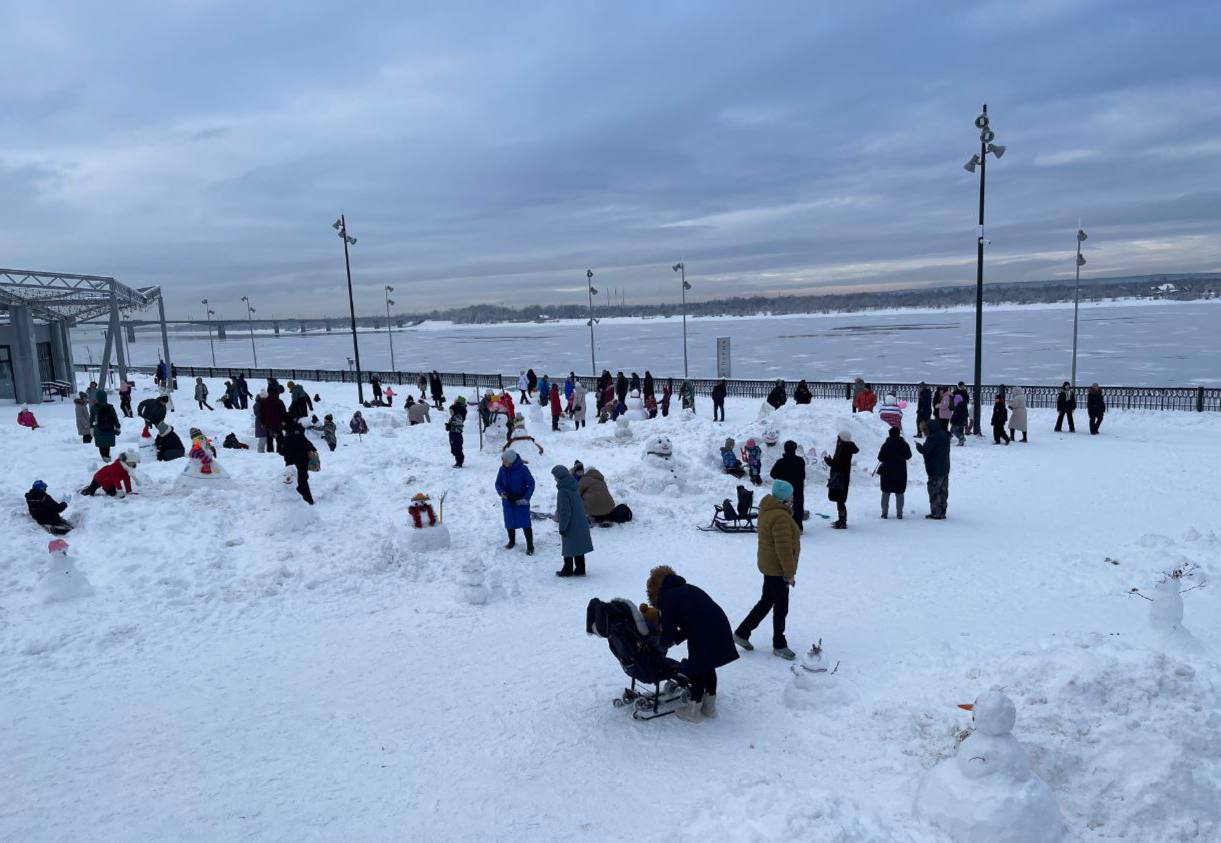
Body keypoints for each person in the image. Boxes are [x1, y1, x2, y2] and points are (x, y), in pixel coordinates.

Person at [647, 565, 739, 722]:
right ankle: (709, 707)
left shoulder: (666, 598)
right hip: (719, 623)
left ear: (654, 590)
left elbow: (669, 630)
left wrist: (660, 644)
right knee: (707, 666)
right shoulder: (685, 588)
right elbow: (689, 620)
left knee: (697, 668)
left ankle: (693, 710)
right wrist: (676, 639)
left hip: (702, 631)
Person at [733, 478, 800, 661]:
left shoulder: (768, 510)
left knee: (766, 601)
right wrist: (789, 573)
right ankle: (779, 644)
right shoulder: (780, 517)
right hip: (777, 570)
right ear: (785, 498)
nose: (793, 498)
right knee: (781, 607)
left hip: (768, 566)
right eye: (791, 496)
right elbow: (784, 549)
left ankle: (742, 632)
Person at [551, 465, 593, 577]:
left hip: (571, 523)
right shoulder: (573, 485)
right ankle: (580, 568)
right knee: (578, 546)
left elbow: (565, 512)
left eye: (555, 476)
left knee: (568, 546)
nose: (554, 479)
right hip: (580, 521)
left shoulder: (563, 491)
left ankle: (567, 570)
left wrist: (563, 527)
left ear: (559, 477)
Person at [496, 448, 535, 555]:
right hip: (507, 500)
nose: (503, 462)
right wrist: (501, 492)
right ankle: (512, 541)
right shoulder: (502, 470)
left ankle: (530, 546)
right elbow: (498, 484)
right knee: (509, 522)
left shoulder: (523, 470)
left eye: (505, 461)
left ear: (512, 461)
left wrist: (526, 498)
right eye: (503, 460)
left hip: (520, 500)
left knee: (525, 522)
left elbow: (531, 484)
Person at [916, 413, 951, 519]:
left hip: (935, 469)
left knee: (934, 491)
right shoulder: (944, 435)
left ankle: (936, 512)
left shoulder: (932, 438)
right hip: (945, 467)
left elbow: (926, 450)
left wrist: (919, 447)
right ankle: (943, 511)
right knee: (943, 490)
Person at [823, 431, 859, 529]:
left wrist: (829, 461)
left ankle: (842, 521)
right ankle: (841, 519)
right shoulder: (846, 446)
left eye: (839, 437)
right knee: (840, 499)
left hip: (840, 476)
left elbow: (838, 464)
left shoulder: (844, 448)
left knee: (840, 499)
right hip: (842, 475)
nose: (837, 439)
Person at [769, 441, 807, 531]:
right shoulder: (800, 461)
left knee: (784, 507)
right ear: (795, 449)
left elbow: (772, 474)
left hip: (784, 490)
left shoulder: (781, 462)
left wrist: (782, 478)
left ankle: (785, 526)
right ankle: (798, 527)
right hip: (797, 489)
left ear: (785, 449)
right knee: (797, 507)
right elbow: (803, 476)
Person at [877, 426, 911, 519]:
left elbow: (880, 458)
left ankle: (884, 513)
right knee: (899, 493)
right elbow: (909, 456)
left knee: (885, 492)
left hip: (887, 472)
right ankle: (899, 513)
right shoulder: (904, 444)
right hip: (900, 472)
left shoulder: (886, 444)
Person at [281, 420, 317, 505]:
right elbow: (305, 442)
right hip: (303, 459)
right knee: (303, 478)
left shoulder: (290, 433)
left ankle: (305, 499)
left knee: (300, 479)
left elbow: (284, 450)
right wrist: (312, 449)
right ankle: (305, 496)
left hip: (294, 460)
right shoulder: (298, 432)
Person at [91, 390, 121, 460]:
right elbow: (115, 418)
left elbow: (91, 419)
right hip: (109, 430)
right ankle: (107, 458)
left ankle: (104, 458)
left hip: (98, 430)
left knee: (101, 446)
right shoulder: (110, 407)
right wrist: (118, 426)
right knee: (107, 446)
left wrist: (91, 427)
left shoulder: (94, 407)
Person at [259, 389, 286, 453]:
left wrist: (262, 423)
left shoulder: (264, 402)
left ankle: (270, 452)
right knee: (280, 439)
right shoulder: (280, 402)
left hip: (268, 424)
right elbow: (283, 413)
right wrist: (284, 421)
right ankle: (280, 452)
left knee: (269, 440)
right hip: (278, 424)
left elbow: (262, 414)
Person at [446, 397, 466, 467]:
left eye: (451, 411)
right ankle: (458, 461)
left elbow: (459, 425)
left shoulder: (458, 417)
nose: (450, 413)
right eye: (450, 411)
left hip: (456, 435)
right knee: (454, 449)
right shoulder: (453, 417)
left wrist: (450, 425)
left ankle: (459, 462)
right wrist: (448, 426)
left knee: (457, 449)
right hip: (452, 435)